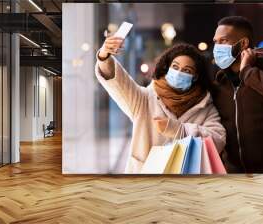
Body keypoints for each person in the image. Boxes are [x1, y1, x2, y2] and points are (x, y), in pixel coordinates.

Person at [95, 38, 226, 174]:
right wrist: (104, 57)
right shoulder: (144, 98)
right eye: (175, 67)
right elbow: (118, 82)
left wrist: (179, 130)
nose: (179, 72)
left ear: (195, 76)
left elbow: (218, 140)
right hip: (145, 181)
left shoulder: (205, 106)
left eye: (186, 70)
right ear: (167, 68)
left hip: (185, 184)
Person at [210, 16, 263, 173]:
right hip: (232, 174)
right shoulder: (220, 83)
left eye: (223, 41)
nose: (217, 47)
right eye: (215, 41)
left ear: (243, 43)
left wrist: (247, 72)